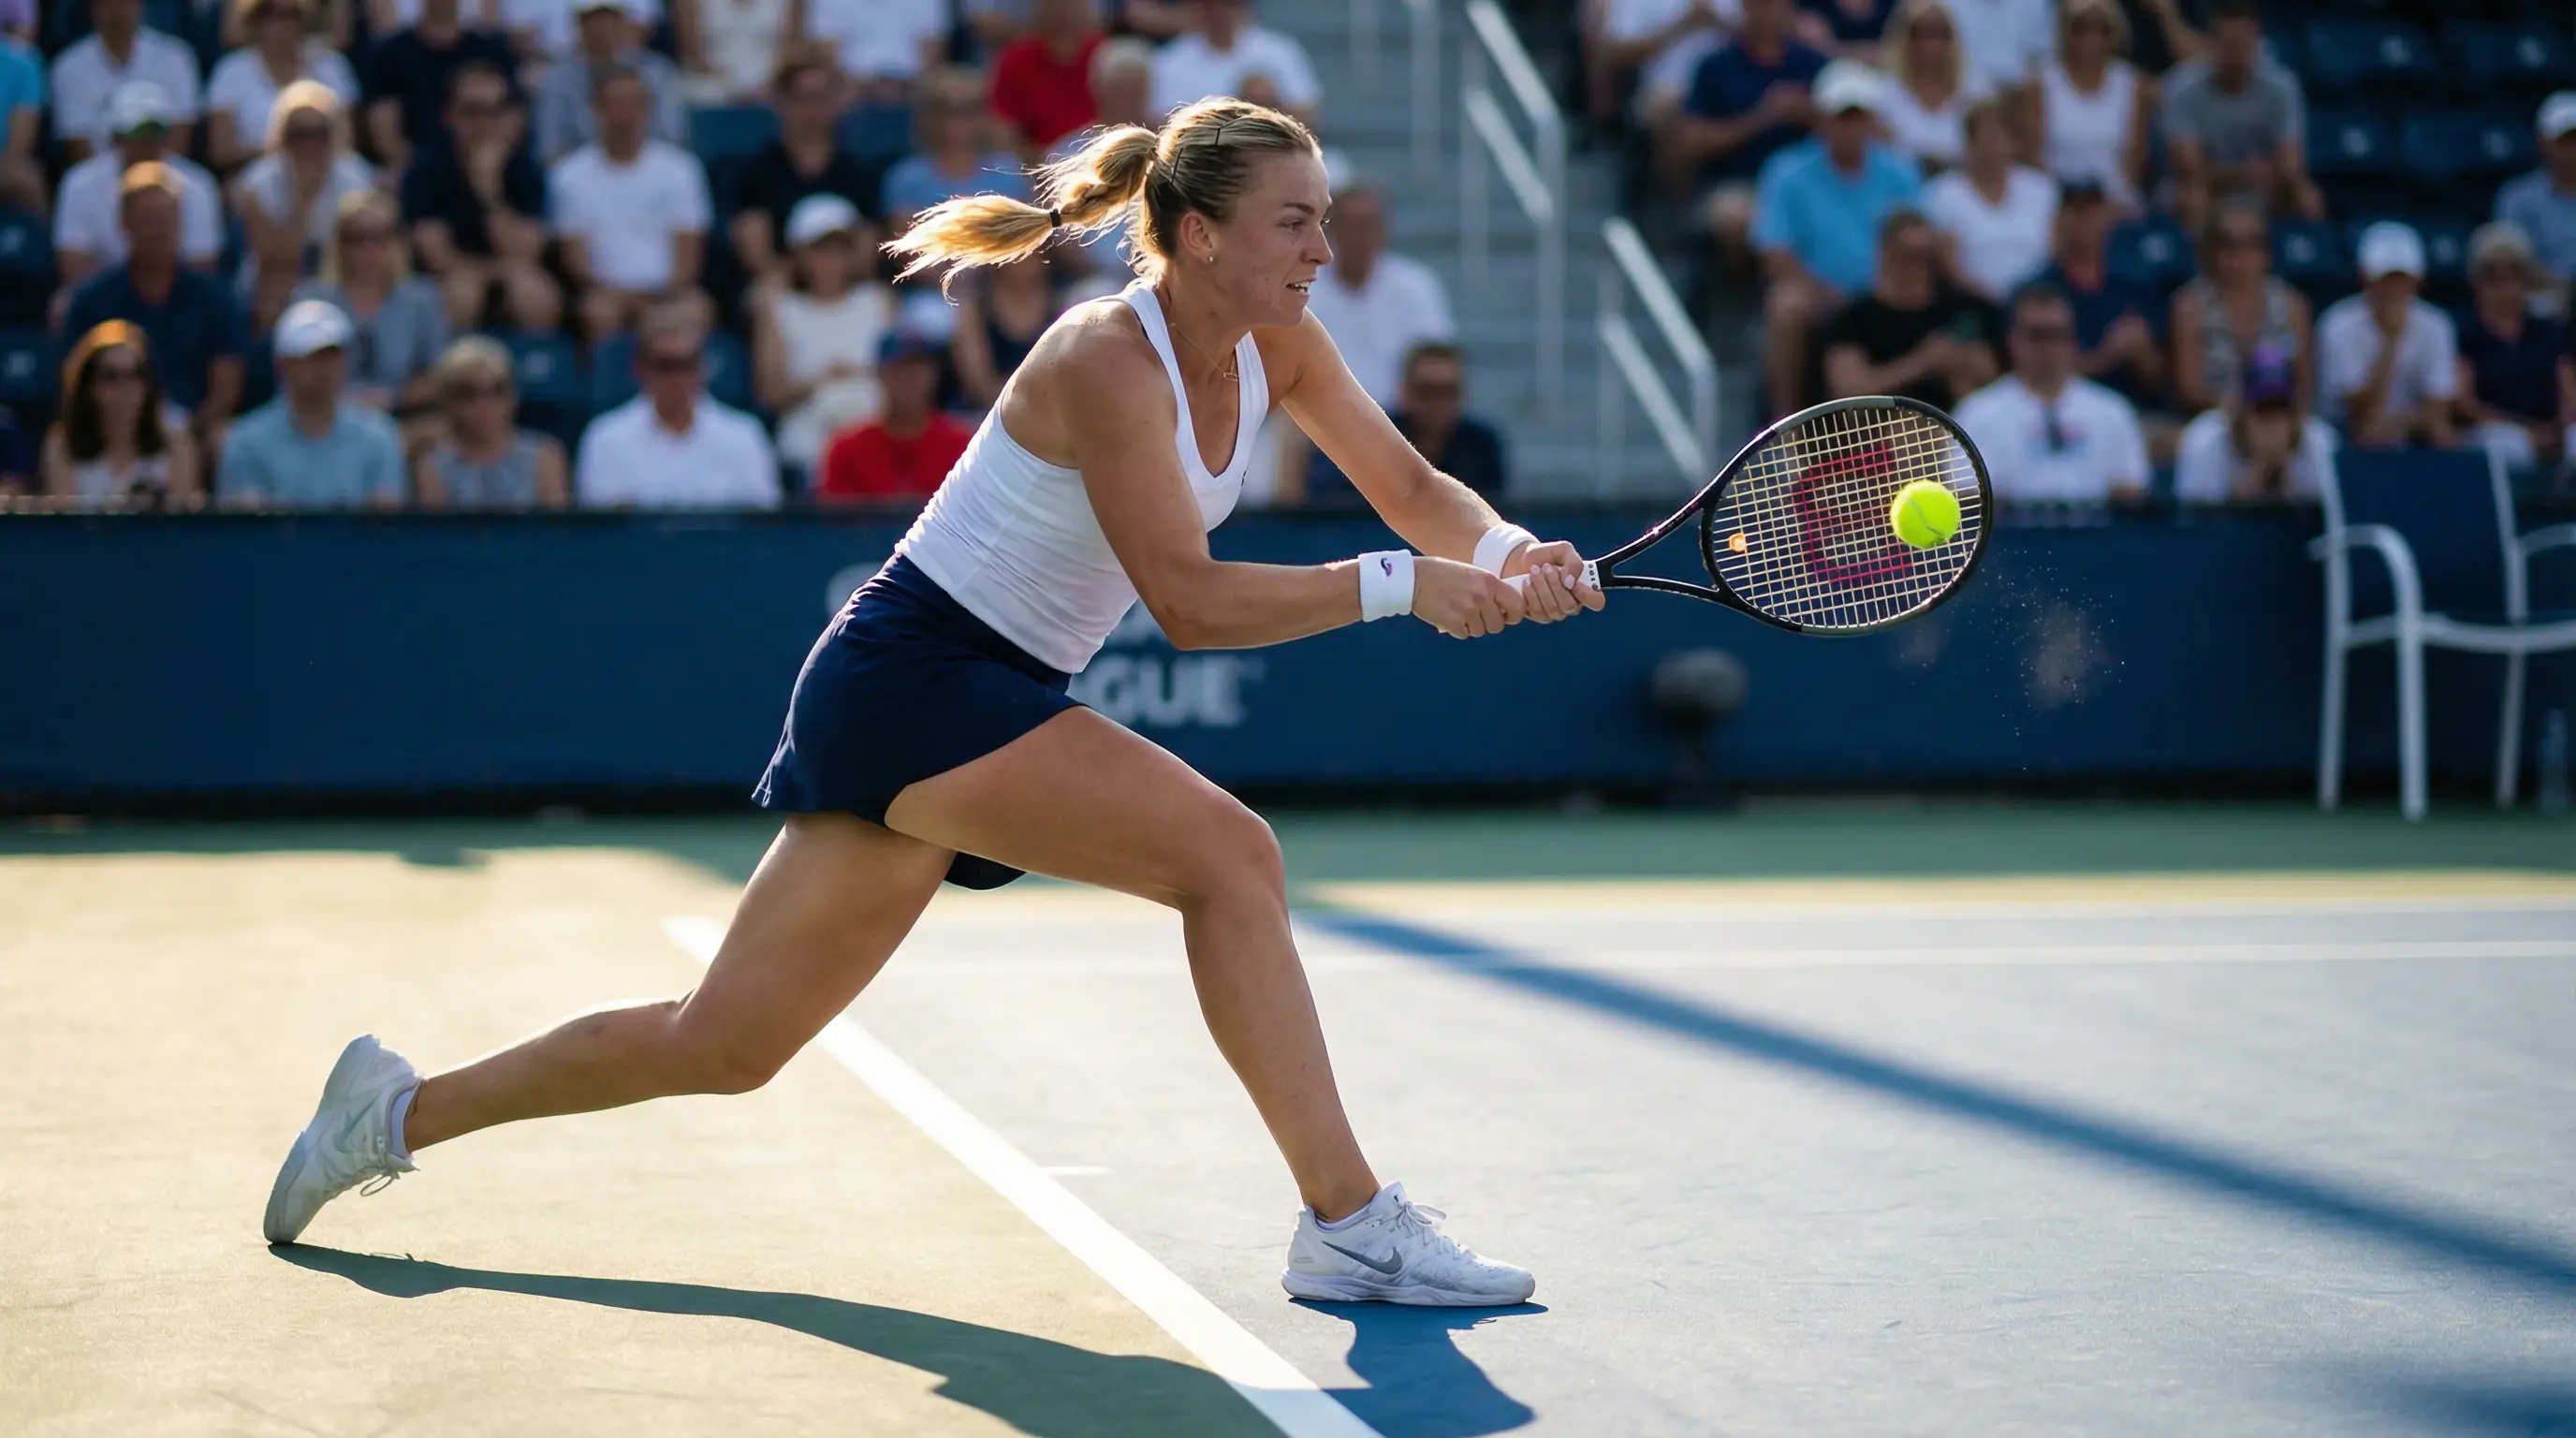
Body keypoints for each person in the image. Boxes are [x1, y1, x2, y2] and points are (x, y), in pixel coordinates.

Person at [262, 99, 1591, 1312]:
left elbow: (1418, 492)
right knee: (1231, 859)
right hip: (918, 679)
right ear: (1198, 232)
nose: (1323, 242)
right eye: (1292, 219)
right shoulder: (1102, 361)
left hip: (963, 691)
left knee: (722, 1044)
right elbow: (1186, 606)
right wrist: (1398, 588)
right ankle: (1349, 1221)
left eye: (1320, 217)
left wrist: (1505, 549)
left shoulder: (1280, 343)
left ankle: (388, 1114)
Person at [1751, 61, 1925, 416]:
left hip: (1889, 291)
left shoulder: (1899, 171)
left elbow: (1919, 239)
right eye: (1841, 116)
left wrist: (1886, 290)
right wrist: (1827, 293)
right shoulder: (1787, 171)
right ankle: (1783, 428)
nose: (1850, 127)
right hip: (1819, 296)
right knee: (1786, 305)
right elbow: (1774, 252)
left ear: (1871, 120)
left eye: (1858, 116)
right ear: (1821, 119)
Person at [60, 165, 247, 430]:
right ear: (124, 224)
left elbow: (226, 388)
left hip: (192, 433)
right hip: (109, 435)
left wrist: (185, 441)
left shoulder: (216, 299)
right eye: (146, 220)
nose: (157, 231)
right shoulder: (91, 301)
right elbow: (75, 383)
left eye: (165, 219)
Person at [548, 63, 713, 345]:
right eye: (616, 103)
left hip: (668, 293)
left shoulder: (681, 169)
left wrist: (657, 297)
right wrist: (622, 298)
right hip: (604, 294)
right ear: (596, 110)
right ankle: (602, 388)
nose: (626, 113)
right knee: (598, 312)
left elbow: (688, 256)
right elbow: (575, 259)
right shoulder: (568, 175)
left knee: (694, 309)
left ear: (648, 109)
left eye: (634, 103)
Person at [1954, 282, 2148, 503]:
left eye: (2057, 334)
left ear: (2073, 340)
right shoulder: (1977, 414)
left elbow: (2131, 496)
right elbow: (1969, 499)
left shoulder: (2113, 411)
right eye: (2036, 335)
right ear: (2012, 339)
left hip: (2095, 536)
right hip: (2012, 536)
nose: (2048, 347)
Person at [402, 61, 561, 331]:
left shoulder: (526, 168)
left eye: (494, 112)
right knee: (462, 292)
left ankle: (535, 371)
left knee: (534, 293)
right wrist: (494, 272)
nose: (484, 124)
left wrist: (490, 192)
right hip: (453, 277)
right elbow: (438, 258)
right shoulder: (426, 170)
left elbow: (527, 252)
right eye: (472, 112)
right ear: (449, 115)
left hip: (509, 272)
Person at [574, 302, 778, 506]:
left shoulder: (743, 436)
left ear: (703, 367)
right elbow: (603, 533)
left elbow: (760, 526)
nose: (677, 378)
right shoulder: (606, 439)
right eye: (665, 366)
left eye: (687, 364)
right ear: (640, 368)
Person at [729, 46, 885, 301]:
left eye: (821, 97)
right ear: (781, 103)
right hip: (782, 287)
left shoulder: (858, 172)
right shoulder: (756, 172)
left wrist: (831, 285)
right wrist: (803, 286)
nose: (811, 108)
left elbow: (866, 251)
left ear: (836, 103)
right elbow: (756, 254)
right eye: (801, 98)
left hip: (847, 287)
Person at [218, 300, 407, 507]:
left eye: (333, 355)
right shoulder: (246, 442)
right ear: (283, 363)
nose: (325, 367)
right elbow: (248, 531)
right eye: (311, 356)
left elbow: (385, 529)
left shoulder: (379, 437)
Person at [754, 194, 894, 469]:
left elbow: (902, 374)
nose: (831, 259)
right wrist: (819, 380)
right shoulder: (781, 309)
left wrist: (856, 372)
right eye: (820, 249)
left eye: (841, 248)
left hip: (878, 441)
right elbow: (772, 392)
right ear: (799, 255)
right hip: (809, 447)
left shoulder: (879, 301)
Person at [1816, 206, 2000, 410]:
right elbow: (1849, 392)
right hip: (1888, 428)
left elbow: (1994, 375)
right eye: (1909, 255)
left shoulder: (1960, 308)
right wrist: (1921, 362)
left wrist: (1962, 360)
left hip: (1963, 421)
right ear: (1886, 254)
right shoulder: (1855, 318)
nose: (1919, 266)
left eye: (1927, 256)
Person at [1667, 0, 1826, 236]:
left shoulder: (1814, 63)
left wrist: (1806, 113)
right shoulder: (1715, 66)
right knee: (1733, 216)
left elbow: (1848, 127)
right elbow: (1692, 142)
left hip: (1809, 182)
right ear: (1745, 8)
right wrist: (1762, 117)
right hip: (1740, 183)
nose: (1770, 13)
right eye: (1761, 5)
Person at [2159, 0, 2320, 234]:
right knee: (2193, 195)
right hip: (2210, 186)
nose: (2237, 54)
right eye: (2230, 45)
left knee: (2306, 195)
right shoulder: (2182, 87)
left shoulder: (2282, 87)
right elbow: (2190, 167)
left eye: (2245, 44)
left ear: (2258, 42)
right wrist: (2244, 174)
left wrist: (2266, 175)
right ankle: (2203, 267)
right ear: (2212, 44)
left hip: (2264, 185)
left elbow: (2291, 162)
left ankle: (2305, 258)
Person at [289, 192, 448, 425]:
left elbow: (438, 376)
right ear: (339, 244)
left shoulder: (422, 299)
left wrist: (392, 398)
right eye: (357, 238)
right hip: (324, 420)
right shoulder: (311, 300)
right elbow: (293, 372)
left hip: (402, 419)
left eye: (380, 237)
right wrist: (347, 402)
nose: (369, 249)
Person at [231, 80, 376, 329]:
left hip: (340, 273)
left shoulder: (356, 177)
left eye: (320, 133)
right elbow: (276, 258)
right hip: (275, 279)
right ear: (281, 136)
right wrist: (304, 198)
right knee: (278, 290)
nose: (310, 145)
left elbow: (363, 245)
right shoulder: (258, 183)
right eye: (299, 135)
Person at [1298, 183, 1455, 408]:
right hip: (1316, 416)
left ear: (1384, 230)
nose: (1360, 236)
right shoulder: (1303, 285)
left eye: (1368, 225)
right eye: (1351, 225)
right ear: (1329, 230)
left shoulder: (1416, 286)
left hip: (1401, 418)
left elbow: (1437, 364)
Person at [53, 83, 225, 289]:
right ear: (116, 137)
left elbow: (202, 267)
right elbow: (74, 267)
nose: (148, 143)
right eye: (137, 134)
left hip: (177, 300)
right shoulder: (79, 183)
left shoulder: (198, 185)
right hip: (103, 299)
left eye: (156, 133)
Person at [1302, 341, 1507, 506]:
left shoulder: (1481, 445)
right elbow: (1330, 509)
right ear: (1404, 391)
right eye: (1425, 391)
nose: (1437, 403)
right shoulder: (1371, 436)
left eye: (1448, 392)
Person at [2315, 222, 2456, 451]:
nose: (2394, 289)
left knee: (2443, 434)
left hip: (2411, 429)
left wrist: (2401, 424)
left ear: (2418, 281)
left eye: (2401, 280)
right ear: (2365, 279)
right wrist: (2390, 341)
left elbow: (2439, 407)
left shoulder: (2437, 325)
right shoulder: (2338, 324)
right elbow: (2360, 413)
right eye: (2385, 279)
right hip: (2348, 432)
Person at [2169, 197, 2308, 418]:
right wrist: (2240, 412)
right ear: (2212, 250)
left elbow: (2304, 385)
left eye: (2252, 244)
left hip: (2280, 421)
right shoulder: (2191, 306)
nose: (2241, 256)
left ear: (2267, 251)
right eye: (2229, 245)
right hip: (2216, 419)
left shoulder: (2291, 305)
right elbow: (2190, 390)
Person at [40, 319, 202, 509]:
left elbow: (185, 525)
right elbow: (63, 524)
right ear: (88, 386)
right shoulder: (62, 445)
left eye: (137, 375)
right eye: (111, 376)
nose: (126, 388)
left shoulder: (177, 443)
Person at [2033, 179, 2162, 408]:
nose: (2086, 222)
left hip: (2132, 408)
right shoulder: (2041, 290)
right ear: (2061, 219)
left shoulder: (2134, 284)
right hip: (2060, 407)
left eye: (2093, 211)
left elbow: (2161, 376)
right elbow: (2036, 371)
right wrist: (2106, 355)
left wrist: (2143, 355)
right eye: (2077, 212)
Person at [2452, 223, 2565, 472]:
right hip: (2491, 430)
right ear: (2475, 280)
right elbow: (2465, 403)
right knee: (2513, 447)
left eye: (2515, 273)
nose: (2504, 286)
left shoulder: (2548, 330)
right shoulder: (2465, 333)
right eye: (2492, 275)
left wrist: (2557, 429)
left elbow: (2569, 391)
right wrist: (2526, 431)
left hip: (2551, 428)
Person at [1922, 95, 2055, 304]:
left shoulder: (2041, 189)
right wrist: (1989, 299)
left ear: (2013, 142)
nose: (1988, 148)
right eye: (1980, 140)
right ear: (1968, 144)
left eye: (1995, 139)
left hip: (2036, 300)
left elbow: (2053, 254)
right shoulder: (1944, 193)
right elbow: (1950, 265)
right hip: (1971, 301)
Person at [1052, 37, 1156, 301]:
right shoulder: (1068, 152)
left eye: (1137, 89)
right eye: (1121, 88)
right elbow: (1060, 230)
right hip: (1090, 280)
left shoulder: (1168, 148)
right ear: (1098, 89)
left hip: (1158, 276)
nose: (1129, 99)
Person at [813, 329, 972, 503]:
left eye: (919, 369)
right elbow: (833, 523)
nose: (910, 379)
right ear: (880, 374)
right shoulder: (846, 448)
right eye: (899, 369)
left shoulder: (962, 444)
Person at [364, 0, 516, 177]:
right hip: (413, 174)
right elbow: (385, 131)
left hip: (492, 169)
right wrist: (420, 174)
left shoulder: (493, 51)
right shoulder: (389, 54)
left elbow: (511, 118)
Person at [415, 334, 570, 507]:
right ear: (449, 401)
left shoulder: (545, 458)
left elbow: (556, 532)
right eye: (468, 394)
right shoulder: (433, 466)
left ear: (513, 396)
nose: (484, 405)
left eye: (497, 390)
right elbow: (437, 532)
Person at [205, 0, 359, 173]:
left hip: (328, 174)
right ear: (255, 19)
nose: (282, 23)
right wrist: (288, 151)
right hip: (255, 177)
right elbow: (222, 152)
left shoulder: (332, 65)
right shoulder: (231, 71)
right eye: (271, 13)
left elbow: (347, 141)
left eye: (291, 14)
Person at [879, 66, 1033, 237]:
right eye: (944, 109)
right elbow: (908, 245)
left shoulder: (1010, 173)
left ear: (984, 116)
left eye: (967, 110)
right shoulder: (905, 178)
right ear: (929, 117)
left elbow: (1023, 240)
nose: (956, 120)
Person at [2173, 342, 2335, 502]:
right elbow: (2196, 525)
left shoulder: (2320, 445)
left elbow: (2335, 523)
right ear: (2238, 410)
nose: (2272, 421)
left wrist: (2287, 482)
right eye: (2261, 408)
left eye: (2281, 406)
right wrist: (2248, 487)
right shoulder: (2204, 441)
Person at [2027, 0, 2147, 214]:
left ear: (2113, 35)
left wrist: (2108, 204)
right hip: (2057, 199)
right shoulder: (2043, 82)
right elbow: (2034, 155)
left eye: (2101, 29)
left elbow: (2134, 160)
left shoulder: (2129, 83)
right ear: (2066, 33)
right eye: (2080, 28)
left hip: (2112, 199)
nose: (2090, 38)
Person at [46, 0, 202, 162]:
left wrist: (149, 178)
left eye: (125, 2)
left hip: (166, 173)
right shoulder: (68, 66)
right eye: (107, 3)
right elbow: (79, 145)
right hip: (100, 175)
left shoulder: (177, 58)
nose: (117, 10)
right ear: (91, 8)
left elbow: (180, 137)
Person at [533, 0, 687, 163]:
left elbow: (673, 138)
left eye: (610, 18)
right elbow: (549, 147)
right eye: (594, 19)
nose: (602, 27)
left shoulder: (657, 72)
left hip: (650, 168)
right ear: (579, 25)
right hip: (581, 173)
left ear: (624, 22)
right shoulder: (557, 79)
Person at [1148, 0, 1320, 126]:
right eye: (1211, 5)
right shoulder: (1170, 60)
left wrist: (1266, 104)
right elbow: (1161, 122)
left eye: (1229, 3)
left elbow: (1308, 115)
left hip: (1274, 150)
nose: (1220, 12)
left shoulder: (1279, 50)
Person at [1583, 0, 1731, 137]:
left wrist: (1717, 21)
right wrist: (1684, 24)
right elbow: (1617, 53)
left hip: (1726, 87)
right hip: (1665, 91)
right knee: (1679, 114)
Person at [1875, 0, 1983, 172]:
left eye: (1942, 33)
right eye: (1924, 33)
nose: (1933, 43)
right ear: (1907, 38)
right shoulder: (1884, 94)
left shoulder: (1974, 92)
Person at [990, 0, 1103, 161]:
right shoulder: (1016, 60)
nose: (1062, 11)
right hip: (1038, 171)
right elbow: (1004, 132)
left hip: (1103, 164)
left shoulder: (1105, 56)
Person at [951, 254, 1061, 413]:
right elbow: (979, 384)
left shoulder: (1059, 306)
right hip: (988, 413)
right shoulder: (975, 311)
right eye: (1021, 253)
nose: (1026, 260)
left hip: (1047, 411)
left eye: (1033, 252)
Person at [2493, 93, 2576, 287]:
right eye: (2565, 142)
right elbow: (2508, 260)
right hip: (2542, 299)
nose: (2573, 151)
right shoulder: (2518, 198)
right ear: (2543, 143)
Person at [797, 0, 944, 103]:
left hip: (908, 90)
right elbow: (827, 54)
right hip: (851, 91)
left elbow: (932, 52)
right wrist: (858, 88)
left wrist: (911, 88)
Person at [1945, 0, 2050, 96]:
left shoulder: (2034, 3)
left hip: (2019, 99)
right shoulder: (1949, 6)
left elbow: (2042, 62)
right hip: (1964, 102)